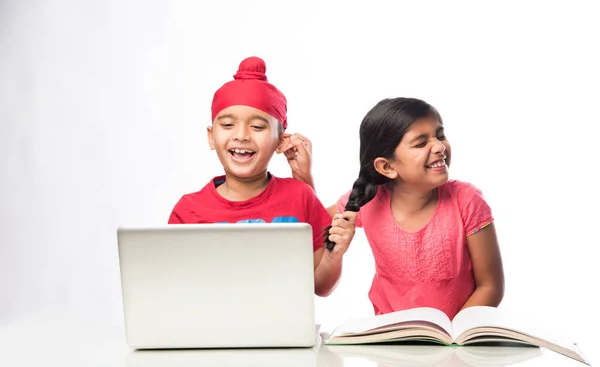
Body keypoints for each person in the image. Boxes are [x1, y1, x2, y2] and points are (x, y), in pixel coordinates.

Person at [297, 97, 505, 319]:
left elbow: (490, 286)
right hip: (391, 341)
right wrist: (304, 175)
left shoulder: (466, 200)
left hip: (454, 343)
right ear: (387, 166)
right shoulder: (368, 201)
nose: (439, 146)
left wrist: (454, 335)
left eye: (440, 135)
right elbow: (311, 221)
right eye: (421, 143)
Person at [168, 56, 356, 297]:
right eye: (227, 125)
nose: (242, 136)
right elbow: (175, 289)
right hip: (210, 331)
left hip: (286, 332)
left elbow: (320, 287)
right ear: (210, 136)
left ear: (280, 141)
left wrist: (334, 254)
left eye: (257, 127)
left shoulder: (300, 195)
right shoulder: (188, 209)